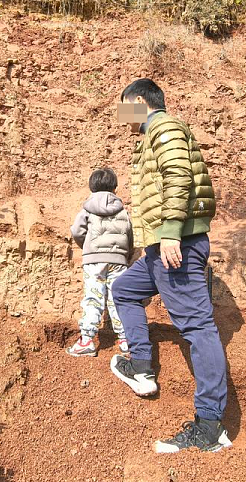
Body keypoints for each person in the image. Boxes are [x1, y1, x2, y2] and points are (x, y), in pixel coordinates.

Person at [109, 78, 231, 453]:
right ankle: (141, 365)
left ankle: (210, 427)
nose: (120, 115)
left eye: (123, 106)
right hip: (159, 247)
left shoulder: (164, 127)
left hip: (174, 244)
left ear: (139, 101)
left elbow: (179, 176)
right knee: (124, 289)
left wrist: (172, 233)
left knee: (197, 327)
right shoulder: (150, 137)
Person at [68, 167, 134, 357]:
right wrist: (125, 254)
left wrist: (87, 247)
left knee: (93, 298)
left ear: (92, 187)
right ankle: (124, 340)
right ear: (115, 188)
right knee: (117, 299)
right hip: (118, 261)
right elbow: (129, 235)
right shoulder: (122, 210)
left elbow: (76, 231)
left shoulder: (87, 208)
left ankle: (87, 341)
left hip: (94, 261)